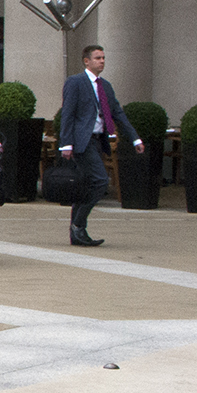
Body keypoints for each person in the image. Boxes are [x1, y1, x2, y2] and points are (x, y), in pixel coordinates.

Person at [59, 43, 144, 247]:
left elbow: (117, 113)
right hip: (82, 141)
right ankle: (78, 225)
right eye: (98, 58)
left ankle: (77, 232)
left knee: (87, 184)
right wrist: (66, 143)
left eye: (103, 58)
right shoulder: (76, 82)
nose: (102, 61)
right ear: (86, 61)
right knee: (100, 181)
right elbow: (68, 113)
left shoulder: (105, 86)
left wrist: (135, 138)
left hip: (98, 140)